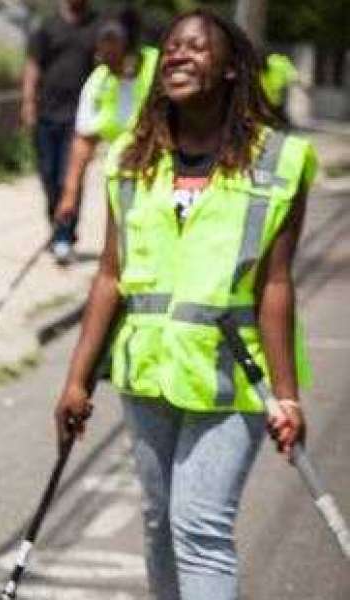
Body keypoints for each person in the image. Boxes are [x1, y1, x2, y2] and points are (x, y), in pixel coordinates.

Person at [54, 9, 316, 600]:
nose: (178, 56)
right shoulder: (130, 161)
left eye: (196, 48)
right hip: (148, 375)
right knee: (159, 522)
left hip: (232, 378)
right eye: (171, 48)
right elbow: (110, 276)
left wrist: (287, 393)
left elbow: (276, 285)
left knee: (200, 527)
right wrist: (77, 381)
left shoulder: (278, 163)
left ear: (229, 70)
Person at [53, 8, 158, 248]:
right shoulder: (99, 82)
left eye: (112, 53)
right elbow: (83, 141)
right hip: (126, 176)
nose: (104, 59)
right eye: (100, 52)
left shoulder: (160, 70)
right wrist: (69, 195)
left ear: (129, 47)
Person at [22, 0, 98, 265]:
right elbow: (33, 65)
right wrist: (29, 103)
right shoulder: (48, 27)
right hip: (46, 114)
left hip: (79, 119)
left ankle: (64, 236)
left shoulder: (96, 27)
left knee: (70, 178)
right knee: (48, 176)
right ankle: (57, 228)